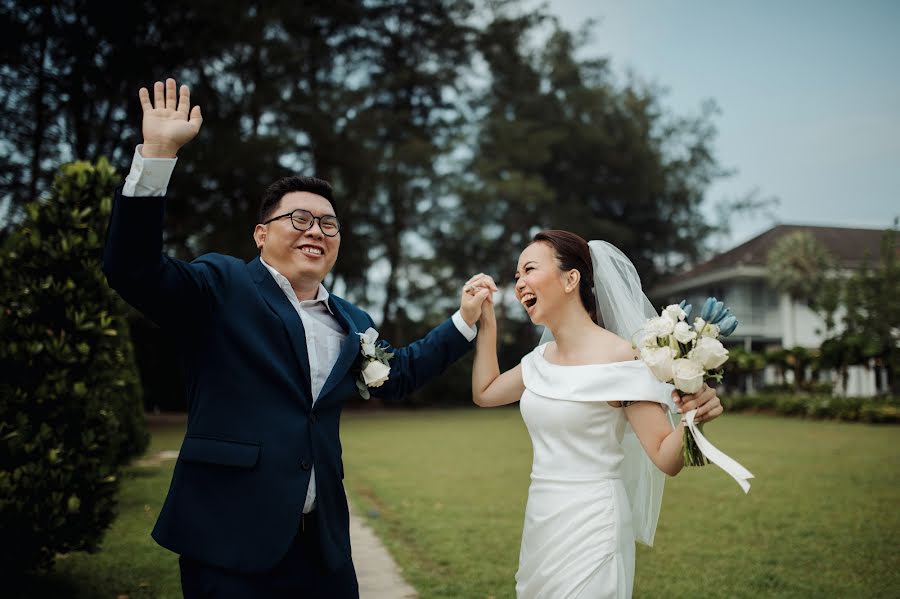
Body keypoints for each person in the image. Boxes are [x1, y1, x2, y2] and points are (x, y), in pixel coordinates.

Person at [102, 78, 494, 598]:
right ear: (261, 233)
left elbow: (396, 376)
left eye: (329, 224)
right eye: (300, 219)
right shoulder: (221, 285)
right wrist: (157, 154)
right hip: (229, 542)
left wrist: (464, 319)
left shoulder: (351, 319)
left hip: (323, 548)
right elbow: (132, 268)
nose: (316, 231)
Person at [467, 230, 724, 599]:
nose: (519, 282)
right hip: (541, 516)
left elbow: (666, 459)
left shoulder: (623, 359)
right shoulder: (538, 361)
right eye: (516, 276)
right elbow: (485, 392)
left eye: (529, 269)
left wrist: (692, 419)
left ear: (571, 279)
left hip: (593, 520)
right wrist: (487, 323)